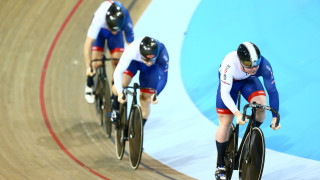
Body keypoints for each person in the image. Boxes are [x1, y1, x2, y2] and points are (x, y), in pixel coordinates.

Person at [215, 42, 281, 180]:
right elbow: (224, 94)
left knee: (261, 108)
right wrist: (237, 113)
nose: (254, 68)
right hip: (230, 84)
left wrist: (275, 116)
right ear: (240, 61)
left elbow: (272, 91)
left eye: (257, 65)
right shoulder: (229, 64)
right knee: (225, 121)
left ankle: (250, 140)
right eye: (249, 65)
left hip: (248, 81)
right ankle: (220, 164)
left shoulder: (263, 65)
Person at [111, 36, 169, 127]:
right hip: (134, 62)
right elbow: (118, 72)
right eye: (146, 59)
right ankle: (114, 104)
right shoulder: (132, 50)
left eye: (152, 60)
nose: (149, 62)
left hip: (151, 70)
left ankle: (138, 128)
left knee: (146, 98)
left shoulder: (162, 54)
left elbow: (163, 78)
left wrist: (156, 93)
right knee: (123, 83)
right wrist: (120, 93)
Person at [84, 1, 134, 103]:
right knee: (96, 63)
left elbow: (131, 47)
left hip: (115, 36)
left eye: (117, 29)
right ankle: (89, 84)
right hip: (101, 31)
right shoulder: (99, 18)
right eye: (113, 29)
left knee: (117, 62)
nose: (115, 31)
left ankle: (115, 92)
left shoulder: (126, 19)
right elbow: (88, 44)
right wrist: (89, 67)